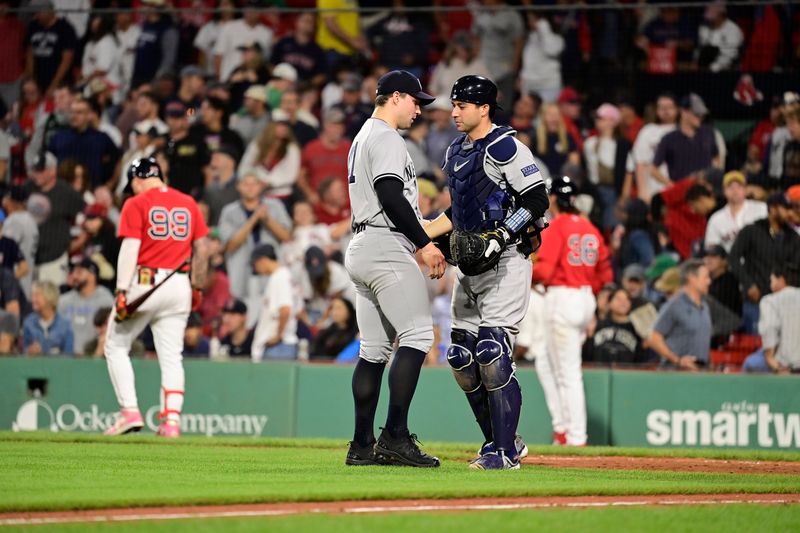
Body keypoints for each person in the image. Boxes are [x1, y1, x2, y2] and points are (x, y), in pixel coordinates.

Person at [424, 75, 549, 469]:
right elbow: (460, 212)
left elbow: (537, 199)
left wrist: (502, 234)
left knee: (492, 352)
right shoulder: (457, 149)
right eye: (455, 104)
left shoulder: (505, 145)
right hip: (470, 265)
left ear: (484, 108)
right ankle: (499, 441)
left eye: (462, 105)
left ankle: (506, 453)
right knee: (461, 357)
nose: (455, 111)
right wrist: (426, 233)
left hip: (507, 261)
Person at [343, 70, 445, 468]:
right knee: (419, 336)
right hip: (386, 244)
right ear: (395, 97)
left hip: (363, 244)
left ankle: (362, 445)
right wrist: (424, 245)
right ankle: (396, 437)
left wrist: (434, 226)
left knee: (373, 351)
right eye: (415, 100)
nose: (419, 109)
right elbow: (389, 192)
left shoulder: (363, 136)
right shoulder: (386, 136)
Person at [103, 157, 210, 438]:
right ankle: (171, 422)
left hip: (145, 282)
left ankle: (129, 411)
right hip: (179, 284)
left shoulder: (136, 203)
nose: (133, 190)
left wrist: (121, 290)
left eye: (133, 185)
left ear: (138, 179)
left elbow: (130, 248)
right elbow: (202, 248)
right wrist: (197, 287)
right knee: (172, 356)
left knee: (115, 345)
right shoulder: (188, 203)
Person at [532, 176, 613, 447]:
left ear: (553, 199)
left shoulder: (558, 227)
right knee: (544, 359)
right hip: (584, 297)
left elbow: (544, 270)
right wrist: (587, 293)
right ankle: (563, 428)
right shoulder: (591, 228)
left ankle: (575, 436)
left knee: (568, 372)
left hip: (562, 297)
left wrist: (524, 276)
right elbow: (605, 272)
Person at [647, 259, 712, 370]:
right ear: (692, 278)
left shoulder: (705, 307)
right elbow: (653, 338)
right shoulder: (675, 305)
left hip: (699, 373)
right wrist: (677, 360)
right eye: (705, 277)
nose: (709, 281)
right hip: (675, 374)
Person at [249, 243, 299, 360]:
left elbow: (285, 309)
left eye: (255, 264)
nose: (256, 269)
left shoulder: (279, 277)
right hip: (281, 345)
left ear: (262, 260)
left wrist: (278, 336)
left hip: (279, 346)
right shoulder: (284, 275)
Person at [57, 258, 115, 355]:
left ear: (92, 275)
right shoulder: (64, 300)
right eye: (73, 272)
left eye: (79, 272)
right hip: (67, 357)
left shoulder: (105, 299)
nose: (74, 276)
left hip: (94, 354)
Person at [23, 280, 71, 356]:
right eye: (33, 296)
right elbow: (23, 353)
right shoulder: (29, 322)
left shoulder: (65, 325)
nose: (33, 300)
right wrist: (30, 351)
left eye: (37, 296)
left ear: (49, 297)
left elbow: (69, 356)